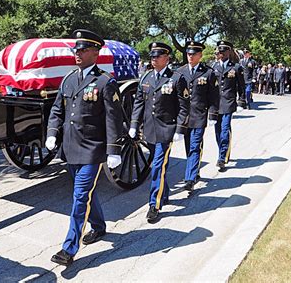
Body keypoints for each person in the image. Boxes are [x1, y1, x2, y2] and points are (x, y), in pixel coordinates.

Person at [45, 29, 123, 266]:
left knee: (80, 197)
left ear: (95, 53)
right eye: (76, 50)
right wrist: (51, 133)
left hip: (92, 149)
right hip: (70, 148)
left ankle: (69, 248)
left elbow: (113, 118)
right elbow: (57, 109)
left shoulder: (105, 82)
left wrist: (113, 150)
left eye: (83, 50)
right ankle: (99, 226)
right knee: (87, 194)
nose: (78, 53)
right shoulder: (69, 79)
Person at [128, 42, 189, 221]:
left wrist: (179, 128)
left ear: (166, 58)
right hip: (149, 129)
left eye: (157, 56)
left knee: (157, 165)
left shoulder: (177, 78)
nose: (154, 59)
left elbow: (184, 107)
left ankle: (154, 204)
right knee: (160, 166)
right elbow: (139, 102)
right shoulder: (146, 77)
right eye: (152, 56)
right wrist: (133, 124)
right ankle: (164, 193)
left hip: (166, 129)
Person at [178, 40, 219, 191]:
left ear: (200, 55)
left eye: (193, 54)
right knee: (188, 146)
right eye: (188, 53)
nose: (190, 56)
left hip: (199, 114)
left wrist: (213, 114)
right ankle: (195, 171)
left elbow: (214, 96)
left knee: (195, 146)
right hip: (184, 116)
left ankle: (189, 179)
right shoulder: (180, 71)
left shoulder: (208, 73)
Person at [213, 41, 246, 171]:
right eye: (219, 52)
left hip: (228, 102)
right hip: (216, 104)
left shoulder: (236, 67)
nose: (220, 54)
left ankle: (222, 158)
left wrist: (241, 101)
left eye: (223, 52)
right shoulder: (213, 67)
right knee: (217, 130)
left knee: (225, 129)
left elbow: (241, 86)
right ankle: (223, 150)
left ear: (228, 52)